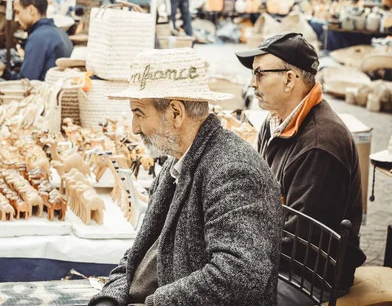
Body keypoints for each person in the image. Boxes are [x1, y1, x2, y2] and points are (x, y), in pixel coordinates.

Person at [89, 48, 283, 306]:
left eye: (139, 113)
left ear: (176, 113)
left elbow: (240, 275)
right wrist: (110, 298)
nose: (134, 128)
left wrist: (156, 303)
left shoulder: (232, 170)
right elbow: (139, 252)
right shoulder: (178, 162)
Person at [235, 33, 366, 305]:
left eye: (259, 73)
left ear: (289, 79)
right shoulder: (274, 123)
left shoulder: (320, 144)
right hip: (278, 260)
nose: (252, 82)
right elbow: (257, 196)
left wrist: (237, 249)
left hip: (309, 276)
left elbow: (300, 242)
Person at [2, 0, 73, 81]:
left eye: (17, 12)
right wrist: (4, 73)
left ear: (31, 10)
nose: (16, 19)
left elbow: (26, 82)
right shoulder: (61, 33)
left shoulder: (38, 38)